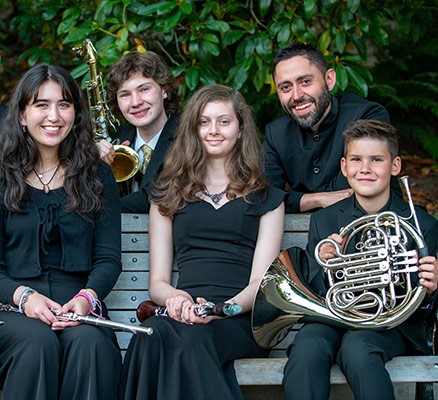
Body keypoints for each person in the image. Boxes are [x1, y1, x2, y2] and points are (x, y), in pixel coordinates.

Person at [119, 84, 285, 400]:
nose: (213, 131)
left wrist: (221, 310)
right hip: (185, 313)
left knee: (190, 341)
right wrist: (177, 299)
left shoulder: (267, 199)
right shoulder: (167, 194)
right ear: (192, 130)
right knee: (151, 333)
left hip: (239, 318)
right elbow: (158, 282)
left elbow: (260, 284)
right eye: (204, 122)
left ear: (240, 130)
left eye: (224, 121)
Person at [282, 119, 438, 400]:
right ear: (344, 167)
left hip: (391, 324)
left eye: (376, 159)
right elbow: (317, 291)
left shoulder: (422, 224)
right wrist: (324, 260)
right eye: (356, 159)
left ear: (395, 166)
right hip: (334, 317)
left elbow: (424, 307)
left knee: (359, 349)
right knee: (307, 346)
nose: (365, 168)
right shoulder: (325, 219)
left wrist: (430, 289)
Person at [0, 64, 122, 400]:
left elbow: (108, 258)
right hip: (10, 306)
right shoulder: (1, 176)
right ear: (22, 115)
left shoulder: (97, 175)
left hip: (78, 304)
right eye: (41, 104)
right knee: (35, 343)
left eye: (64, 104)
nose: (54, 115)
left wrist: (86, 300)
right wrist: (25, 297)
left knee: (91, 345)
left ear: (75, 114)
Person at [263, 41, 402, 213]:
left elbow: (358, 186)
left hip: (377, 226)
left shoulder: (367, 115)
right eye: (286, 87)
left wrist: (295, 199)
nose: (296, 95)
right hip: (310, 232)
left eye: (305, 81)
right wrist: (316, 199)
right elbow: (264, 197)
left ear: (329, 80)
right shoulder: (276, 134)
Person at [97, 51, 179, 213]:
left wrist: (99, 207)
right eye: (125, 94)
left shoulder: (188, 136)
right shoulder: (115, 141)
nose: (136, 102)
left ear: (165, 90)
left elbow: (159, 196)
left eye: (144, 89)